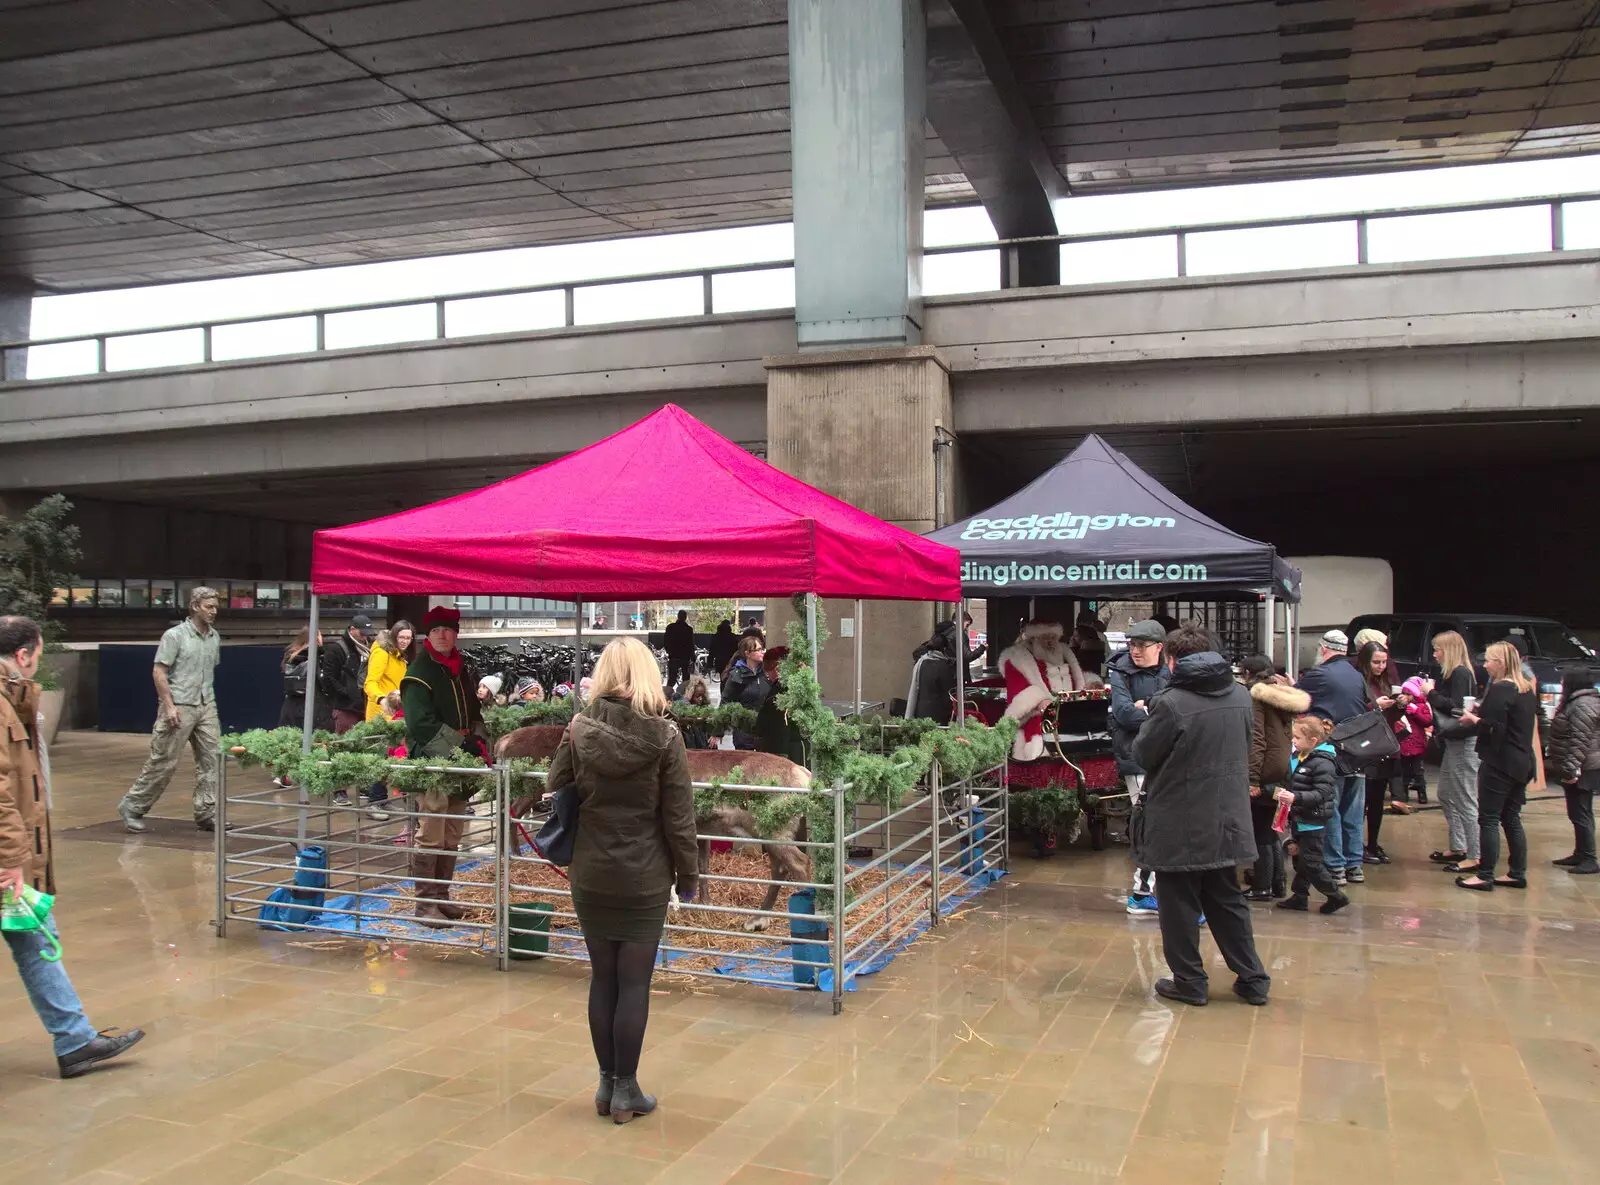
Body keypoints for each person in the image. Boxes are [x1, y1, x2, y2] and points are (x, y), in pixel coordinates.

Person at [539, 637, 697, 1124]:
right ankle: (627, 1089)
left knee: (602, 979)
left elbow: (553, 785)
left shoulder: (578, 729)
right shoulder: (666, 738)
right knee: (634, 985)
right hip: (644, 877)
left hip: (590, 872)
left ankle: (606, 1086)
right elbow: (679, 818)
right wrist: (688, 876)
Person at [2, 616, 147, 1078]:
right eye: (38, 658)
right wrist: (10, 861)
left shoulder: (10, 701)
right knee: (35, 936)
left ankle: (75, 1040)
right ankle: (75, 1039)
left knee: (35, 935)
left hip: (14, 855)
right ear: (23, 656)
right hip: (8, 858)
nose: (37, 669)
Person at [1133, 624, 1270, 1007]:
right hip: (1227, 816)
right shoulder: (1242, 695)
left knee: (1177, 904)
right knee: (1227, 900)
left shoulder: (1171, 702)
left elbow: (1144, 755)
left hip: (1179, 819)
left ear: (1173, 660)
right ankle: (1253, 979)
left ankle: (1190, 981)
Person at [399, 606, 489, 926]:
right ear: (428, 635)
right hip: (434, 761)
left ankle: (441, 897)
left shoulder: (459, 669)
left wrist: (477, 738)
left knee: (452, 832)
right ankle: (424, 905)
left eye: (448, 630)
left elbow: (474, 710)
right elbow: (420, 725)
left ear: (456, 635)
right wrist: (458, 744)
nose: (442, 636)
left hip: (461, 762)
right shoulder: (418, 673)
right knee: (432, 831)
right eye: (436, 631)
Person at [118, 586, 222, 834]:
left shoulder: (214, 636)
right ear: (195, 606)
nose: (214, 611)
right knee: (164, 761)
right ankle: (132, 805)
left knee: (213, 760)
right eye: (209, 607)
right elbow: (159, 672)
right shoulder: (175, 636)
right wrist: (169, 706)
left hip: (206, 704)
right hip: (179, 705)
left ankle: (207, 813)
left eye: (216, 607)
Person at [1450, 640, 1539, 891]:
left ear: (1500, 663)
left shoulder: (1501, 689)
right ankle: (1516, 872)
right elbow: (1511, 723)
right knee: (1511, 818)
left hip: (1500, 762)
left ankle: (1485, 874)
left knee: (1488, 818)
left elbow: (1494, 728)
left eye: (1489, 660)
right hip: (1522, 761)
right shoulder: (1525, 689)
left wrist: (1473, 719)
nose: (1485, 665)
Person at [1295, 628, 1368, 886]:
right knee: (1354, 810)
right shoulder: (1357, 675)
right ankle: (1354, 865)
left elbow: (1295, 698)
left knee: (1331, 809)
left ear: (1323, 649)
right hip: (1359, 749)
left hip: (1332, 751)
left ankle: (1335, 866)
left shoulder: (1319, 674)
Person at [1107, 620, 1171, 916]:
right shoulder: (1119, 669)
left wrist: (1146, 707)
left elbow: (1179, 708)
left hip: (1168, 754)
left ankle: (1152, 889)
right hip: (1135, 755)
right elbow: (1123, 713)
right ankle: (1142, 892)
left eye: (1141, 645)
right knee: (1149, 820)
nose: (1135, 650)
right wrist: (1158, 714)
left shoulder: (1170, 668)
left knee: (1163, 822)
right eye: (1131, 644)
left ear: (1159, 647)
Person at [1240, 654, 1309, 902]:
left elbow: (1257, 739)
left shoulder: (1258, 697)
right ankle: (1277, 883)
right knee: (1272, 830)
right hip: (1282, 769)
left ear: (1248, 674)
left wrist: (1253, 779)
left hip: (1266, 769)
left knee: (1261, 833)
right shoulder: (1283, 696)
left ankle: (1261, 886)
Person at [1274, 714, 1349, 914]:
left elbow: (1323, 793)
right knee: (1301, 862)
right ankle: (1300, 896)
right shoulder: (1299, 757)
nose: (1293, 740)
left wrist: (1295, 797)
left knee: (1312, 863)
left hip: (1313, 821)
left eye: (1297, 737)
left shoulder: (1323, 762)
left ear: (1313, 741)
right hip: (1300, 818)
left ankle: (1336, 896)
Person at [1426, 630, 1482, 869]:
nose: (1434, 654)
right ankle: (1459, 846)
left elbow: (1456, 710)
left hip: (1463, 742)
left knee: (1464, 798)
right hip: (1454, 741)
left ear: (1447, 651)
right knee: (1446, 794)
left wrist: (1430, 694)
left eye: (1437, 649)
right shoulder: (1458, 673)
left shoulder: (1460, 673)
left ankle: (1475, 854)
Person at [1000, 620, 1091, 761]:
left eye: (1053, 638)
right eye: (1045, 638)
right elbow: (1018, 688)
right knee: (1041, 728)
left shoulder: (1065, 652)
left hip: (1071, 707)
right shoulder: (1018, 658)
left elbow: (1078, 676)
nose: (1049, 642)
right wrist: (1039, 700)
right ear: (1033, 639)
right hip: (1039, 713)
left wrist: (1092, 682)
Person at [1545, 665, 1600, 875]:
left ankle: (1589, 858)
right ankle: (1581, 852)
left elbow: (1579, 741)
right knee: (1576, 811)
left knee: (1582, 812)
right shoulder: (1580, 702)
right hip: (1581, 765)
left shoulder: (1582, 704)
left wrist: (1570, 771)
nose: (1560, 683)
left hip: (1583, 767)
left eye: (1563, 680)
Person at [1356, 642, 1403, 870]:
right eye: (1376, 662)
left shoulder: (1386, 680)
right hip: (1367, 745)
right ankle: (1358, 845)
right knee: (1362, 800)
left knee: (1377, 800)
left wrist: (1401, 704)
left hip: (1386, 743)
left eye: (1384, 662)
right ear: (1366, 661)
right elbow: (1357, 710)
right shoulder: (1359, 681)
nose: (1381, 666)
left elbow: (1393, 715)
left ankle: (1372, 843)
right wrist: (1376, 705)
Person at [322, 614, 376, 734]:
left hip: (366, 705)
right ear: (352, 630)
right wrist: (347, 693)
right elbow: (328, 678)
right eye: (362, 633)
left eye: (367, 633)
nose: (365, 636)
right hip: (345, 708)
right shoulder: (336, 649)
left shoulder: (371, 647)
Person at [278, 626, 330, 731]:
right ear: (317, 639)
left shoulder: (291, 657)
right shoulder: (318, 657)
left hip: (290, 710)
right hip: (311, 712)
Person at [1393, 674, 1434, 808]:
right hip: (1404, 743)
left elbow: (1427, 721)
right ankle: (1403, 795)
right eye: (1403, 693)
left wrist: (1416, 712)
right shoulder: (1402, 707)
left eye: (1408, 694)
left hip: (1417, 744)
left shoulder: (1422, 706)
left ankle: (1422, 793)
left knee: (1418, 771)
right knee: (1404, 771)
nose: (1406, 696)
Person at [364, 621, 413, 720]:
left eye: (408, 638)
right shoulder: (382, 653)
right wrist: (382, 699)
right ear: (394, 636)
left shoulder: (398, 656)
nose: (405, 641)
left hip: (395, 714)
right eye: (401, 637)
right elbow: (370, 683)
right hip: (380, 715)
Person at [663, 610, 695, 691]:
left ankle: (667, 696)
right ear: (685, 617)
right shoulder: (688, 629)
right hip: (685, 657)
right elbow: (690, 644)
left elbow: (666, 641)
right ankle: (684, 696)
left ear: (678, 616)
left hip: (673, 656)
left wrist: (669, 652)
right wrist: (692, 656)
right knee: (686, 679)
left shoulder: (670, 627)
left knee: (671, 679)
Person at [1071, 610, 1107, 678]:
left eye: (1075, 636)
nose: (1074, 638)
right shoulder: (1100, 640)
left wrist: (1072, 647)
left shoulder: (1081, 653)